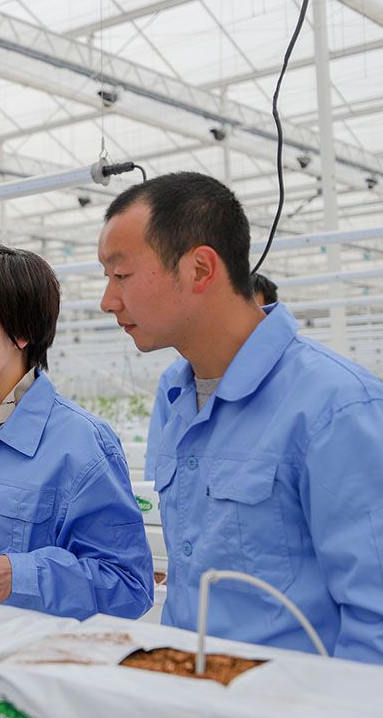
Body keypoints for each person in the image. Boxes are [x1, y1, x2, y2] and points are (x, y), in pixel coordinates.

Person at [98, 171, 383, 664]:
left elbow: (374, 619)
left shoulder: (335, 407)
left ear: (201, 269)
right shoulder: (173, 396)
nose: (108, 300)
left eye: (120, 275)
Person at [0, 245, 153, 620]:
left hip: (32, 665)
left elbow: (128, 585)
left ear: (22, 332)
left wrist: (22, 576)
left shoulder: (81, 444)